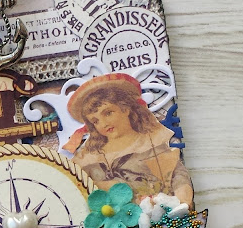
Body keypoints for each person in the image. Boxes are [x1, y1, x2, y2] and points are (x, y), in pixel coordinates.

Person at [66, 72, 193, 205]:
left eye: (108, 113)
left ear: (125, 109)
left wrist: (182, 200)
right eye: (95, 121)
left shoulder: (148, 142)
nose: (103, 124)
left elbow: (177, 175)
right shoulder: (89, 155)